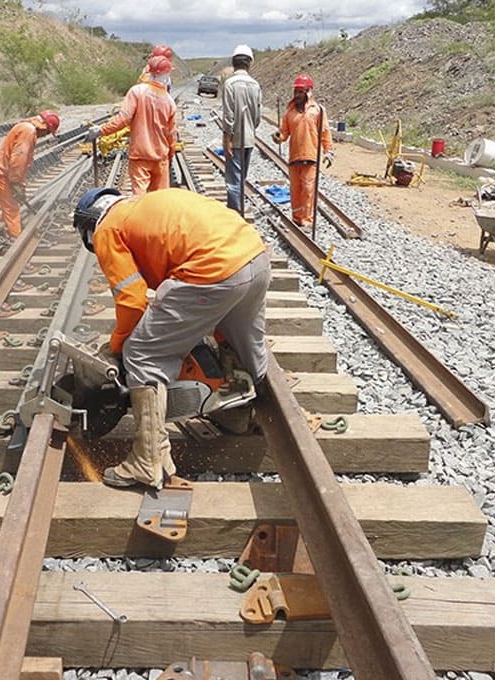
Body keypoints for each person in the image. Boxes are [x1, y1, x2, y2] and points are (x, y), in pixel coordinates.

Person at [72, 187, 271, 489]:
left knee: (142, 353)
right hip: (253, 257)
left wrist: (119, 348)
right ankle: (242, 416)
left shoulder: (106, 228)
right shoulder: (141, 207)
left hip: (213, 270)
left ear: (89, 225)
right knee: (243, 342)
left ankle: (147, 460)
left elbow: (132, 300)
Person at [87, 57, 177, 195]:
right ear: (167, 75)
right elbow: (171, 134)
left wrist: (101, 130)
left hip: (140, 155)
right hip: (160, 158)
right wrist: (170, 153)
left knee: (139, 198)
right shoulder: (169, 101)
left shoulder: (137, 91)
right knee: (159, 200)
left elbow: (123, 118)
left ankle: (139, 216)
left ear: (149, 72)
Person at [271, 74, 333, 229]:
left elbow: (325, 132)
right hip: (294, 157)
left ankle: (307, 219)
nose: (297, 95)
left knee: (308, 189)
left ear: (308, 92)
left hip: (311, 156)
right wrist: (278, 137)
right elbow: (284, 134)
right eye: (296, 91)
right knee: (295, 189)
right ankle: (297, 217)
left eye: (301, 91)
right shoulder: (289, 113)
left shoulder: (317, 111)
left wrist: (328, 151)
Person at [0, 110, 60, 238]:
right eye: (47, 132)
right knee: (12, 207)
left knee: (10, 202)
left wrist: (20, 185)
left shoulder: (25, 128)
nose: (44, 135)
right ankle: (15, 237)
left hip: (4, 172)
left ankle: (1, 228)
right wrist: (16, 182)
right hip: (1, 173)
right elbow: (19, 158)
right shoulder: (28, 131)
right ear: (44, 127)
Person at [221, 44, 262, 214]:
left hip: (235, 139)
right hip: (249, 138)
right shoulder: (255, 85)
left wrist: (227, 139)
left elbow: (229, 115)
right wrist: (250, 128)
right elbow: (257, 116)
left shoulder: (230, 84)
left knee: (233, 179)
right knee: (241, 177)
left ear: (234, 62)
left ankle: (235, 212)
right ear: (249, 63)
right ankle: (239, 208)